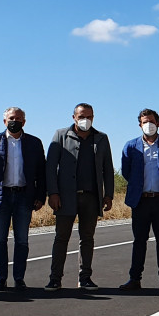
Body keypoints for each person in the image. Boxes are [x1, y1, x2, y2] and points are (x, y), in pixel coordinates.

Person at [45, 103, 114, 291]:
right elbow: (50, 167)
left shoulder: (101, 138)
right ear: (74, 117)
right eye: (82, 116)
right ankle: (55, 278)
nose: (86, 120)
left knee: (87, 238)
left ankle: (85, 278)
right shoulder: (61, 135)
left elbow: (108, 168)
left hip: (91, 198)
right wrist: (53, 193)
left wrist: (108, 195)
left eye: (90, 116)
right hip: (65, 197)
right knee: (61, 238)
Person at [0, 107, 46, 290]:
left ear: (24, 122)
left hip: (25, 196)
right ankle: (1, 278)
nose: (14, 121)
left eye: (18, 118)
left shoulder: (34, 143)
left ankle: (19, 278)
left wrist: (40, 196)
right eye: (11, 118)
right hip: (0, 197)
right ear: (4, 121)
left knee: (22, 240)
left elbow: (42, 172)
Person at [119, 108, 159, 291]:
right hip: (140, 201)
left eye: (152, 121)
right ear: (140, 125)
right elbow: (126, 172)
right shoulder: (131, 146)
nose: (149, 125)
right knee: (139, 241)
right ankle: (134, 279)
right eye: (145, 122)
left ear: (158, 124)